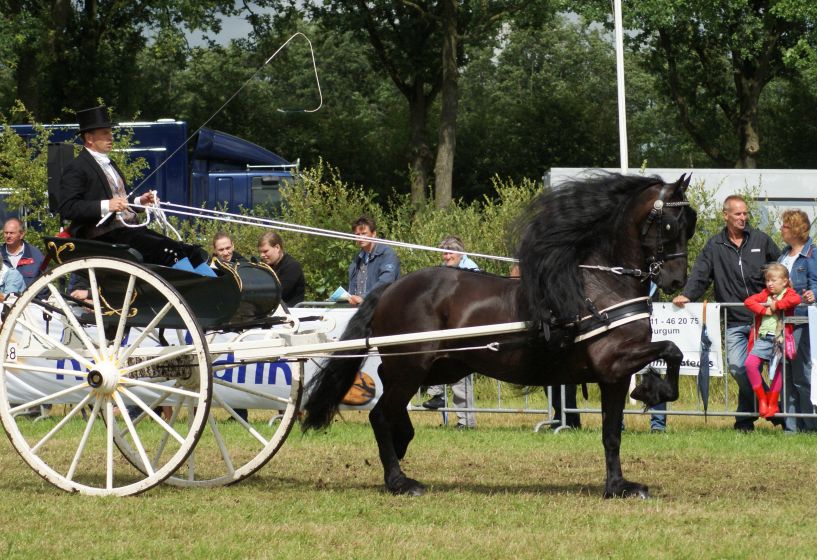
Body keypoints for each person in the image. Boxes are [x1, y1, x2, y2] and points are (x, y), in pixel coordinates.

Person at [58, 104, 212, 275]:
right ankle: (192, 291)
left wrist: (140, 201)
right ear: (89, 138)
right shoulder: (77, 167)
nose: (111, 137)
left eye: (110, 132)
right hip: (104, 236)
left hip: (128, 230)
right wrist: (106, 205)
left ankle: (213, 285)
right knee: (169, 251)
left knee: (186, 249)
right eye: (105, 133)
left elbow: (122, 199)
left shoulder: (109, 164)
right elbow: (67, 207)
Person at [673, 194, 780, 431]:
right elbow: (701, 275)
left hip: (764, 320)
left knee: (753, 367)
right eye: (738, 214)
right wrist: (688, 294)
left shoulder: (761, 240)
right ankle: (770, 405)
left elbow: (780, 268)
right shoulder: (714, 245)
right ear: (726, 215)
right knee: (738, 367)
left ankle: (744, 421)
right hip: (733, 320)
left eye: (745, 213)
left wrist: (780, 296)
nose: (743, 217)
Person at [421, 236, 478, 429]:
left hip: (466, 329)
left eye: (449, 252)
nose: (446, 257)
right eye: (444, 253)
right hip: (447, 329)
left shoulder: (471, 270)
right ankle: (437, 394)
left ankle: (466, 420)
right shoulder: (444, 270)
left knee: (461, 375)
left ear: (460, 252)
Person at [743, 263, 801, 419]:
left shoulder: (788, 293)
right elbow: (748, 301)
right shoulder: (765, 294)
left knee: (777, 372)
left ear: (784, 281)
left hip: (780, 340)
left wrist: (776, 305)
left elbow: (796, 299)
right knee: (750, 364)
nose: (769, 284)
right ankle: (763, 399)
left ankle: (773, 403)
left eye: (773, 280)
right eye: (767, 280)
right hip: (763, 338)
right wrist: (764, 309)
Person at [777, 210, 817, 431]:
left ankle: (810, 425)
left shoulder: (812, 255)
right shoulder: (784, 255)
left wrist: (814, 295)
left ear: (795, 229)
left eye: (784, 225)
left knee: (803, 375)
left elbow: (816, 284)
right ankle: (791, 427)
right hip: (783, 323)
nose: (781, 229)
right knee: (786, 376)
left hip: (803, 322)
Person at [347, 216, 399, 306]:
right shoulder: (357, 258)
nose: (360, 238)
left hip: (383, 309)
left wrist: (364, 297)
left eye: (364, 233)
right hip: (362, 310)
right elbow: (353, 288)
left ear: (373, 234)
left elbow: (386, 281)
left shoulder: (387, 253)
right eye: (357, 235)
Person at [258, 231, 305, 307]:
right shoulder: (264, 265)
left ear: (277, 248)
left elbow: (278, 293)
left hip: (291, 313)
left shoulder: (292, 266)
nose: (262, 255)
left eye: (265, 251)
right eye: (260, 252)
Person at [1, 218, 45, 289]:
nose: (8, 236)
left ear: (21, 234)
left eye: (12, 233)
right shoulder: (0, 255)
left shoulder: (35, 256)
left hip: (29, 299)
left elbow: (45, 282)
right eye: (6, 233)